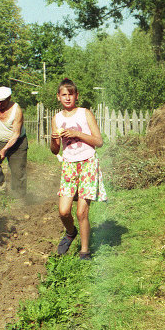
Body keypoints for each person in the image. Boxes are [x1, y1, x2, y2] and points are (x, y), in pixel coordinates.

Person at [50, 79, 107, 260]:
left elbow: (99, 141)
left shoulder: (85, 113)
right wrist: (53, 140)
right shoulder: (57, 118)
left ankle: (84, 251)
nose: (67, 98)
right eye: (64, 95)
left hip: (88, 163)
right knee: (64, 211)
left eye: (71, 94)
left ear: (76, 96)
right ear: (58, 97)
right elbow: (54, 150)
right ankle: (70, 232)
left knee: (82, 211)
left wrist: (77, 134)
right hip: (69, 165)